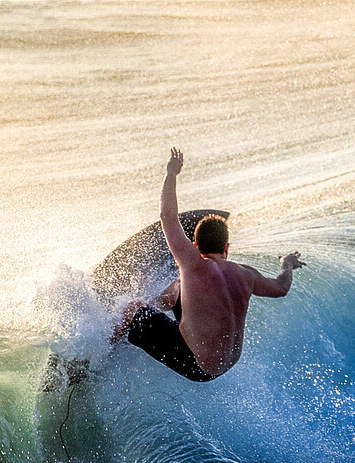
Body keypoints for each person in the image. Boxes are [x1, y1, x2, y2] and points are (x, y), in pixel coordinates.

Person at [114, 148, 304, 381]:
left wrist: (171, 173)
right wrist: (287, 264)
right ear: (226, 248)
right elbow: (281, 288)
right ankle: (149, 310)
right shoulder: (247, 274)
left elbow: (167, 217)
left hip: (196, 363)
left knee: (132, 308)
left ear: (195, 246)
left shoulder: (193, 266)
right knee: (179, 288)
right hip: (226, 364)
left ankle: (97, 357)